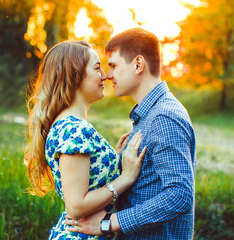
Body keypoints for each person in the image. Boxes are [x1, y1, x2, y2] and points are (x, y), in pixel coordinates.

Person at [66, 28, 196, 239]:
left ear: (138, 64)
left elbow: (179, 195)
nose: (108, 75)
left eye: (114, 66)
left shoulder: (164, 118)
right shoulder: (150, 115)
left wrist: (110, 223)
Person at [24, 40, 147, 239]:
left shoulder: (70, 126)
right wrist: (126, 178)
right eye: (97, 68)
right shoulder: (74, 129)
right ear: (75, 76)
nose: (105, 75)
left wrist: (112, 159)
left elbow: (89, 179)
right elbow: (76, 205)